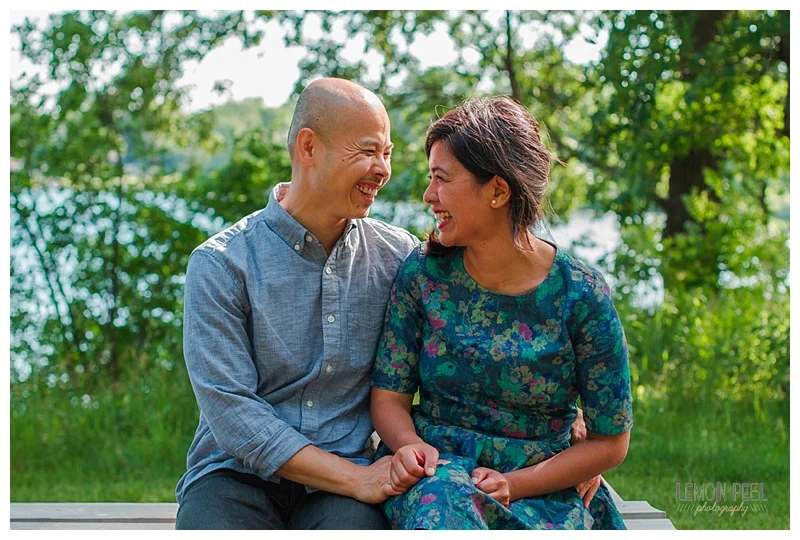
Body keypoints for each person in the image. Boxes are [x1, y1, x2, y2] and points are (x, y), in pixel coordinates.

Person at [371, 96, 634, 530]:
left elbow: (610, 441)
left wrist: (515, 483)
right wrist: (409, 446)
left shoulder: (582, 295)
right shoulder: (422, 274)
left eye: (441, 179)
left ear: (497, 190)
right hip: (438, 479)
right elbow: (388, 399)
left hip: (542, 486)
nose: (428, 195)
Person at [174, 78, 419, 529]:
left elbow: (459, 347)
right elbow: (232, 412)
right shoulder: (221, 264)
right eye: (369, 151)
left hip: (346, 484)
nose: (383, 169)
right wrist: (357, 479)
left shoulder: (399, 257)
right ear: (309, 147)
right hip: (235, 474)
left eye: (387, 153)